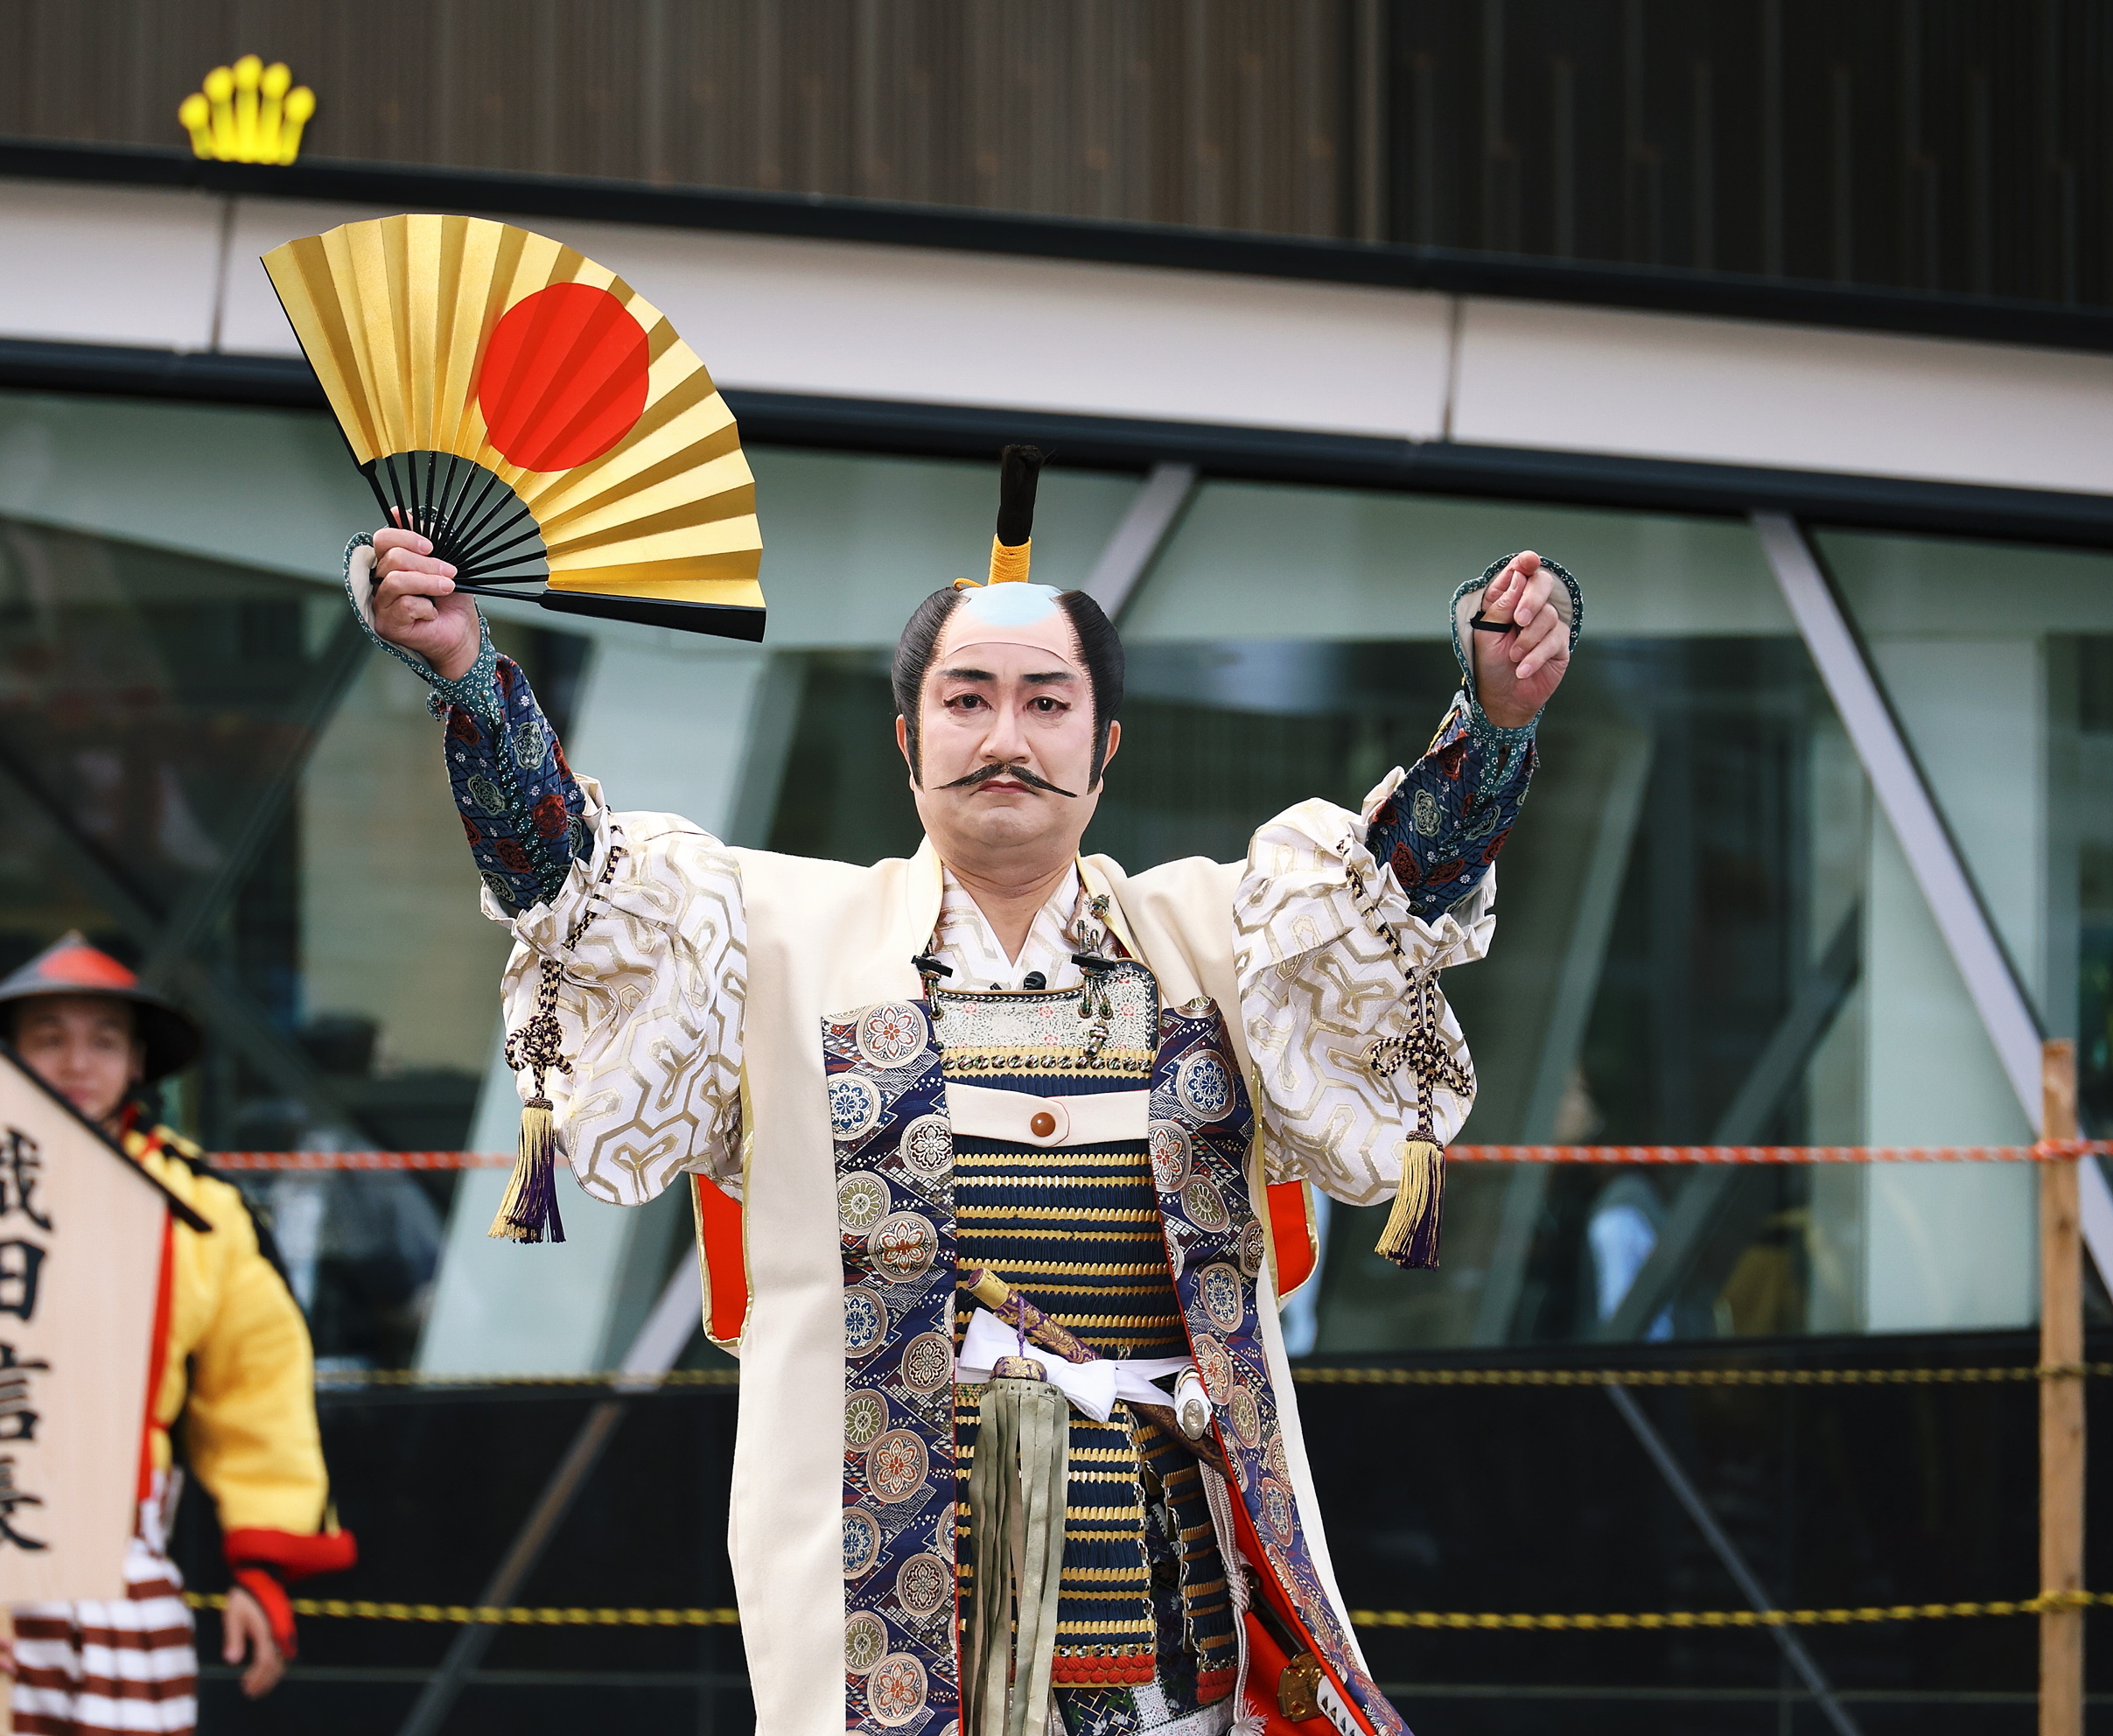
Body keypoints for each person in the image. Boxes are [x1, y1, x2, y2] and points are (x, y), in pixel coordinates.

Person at [357, 446, 1574, 1736]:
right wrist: (465, 672)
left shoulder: (1218, 936)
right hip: (889, 1619)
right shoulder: (775, 934)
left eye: (1047, 703)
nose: (1006, 738)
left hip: (1177, 1613)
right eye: (968, 699)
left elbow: (1396, 894)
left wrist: (1494, 720)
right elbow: (568, 878)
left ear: (1104, 746)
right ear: (908, 738)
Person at [0, 934, 355, 1735]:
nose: (77, 1062)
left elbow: (259, 1394)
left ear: (137, 1062)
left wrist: (262, 1569)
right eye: (49, 1038)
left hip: (122, 1559)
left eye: (104, 1041)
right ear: (7, 1053)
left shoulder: (203, 1208)